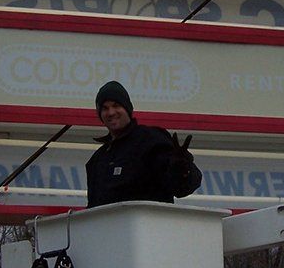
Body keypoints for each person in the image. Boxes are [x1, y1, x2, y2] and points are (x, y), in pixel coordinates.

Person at [86, 80, 202, 208]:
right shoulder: (97, 159)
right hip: (106, 227)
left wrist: (183, 170)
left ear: (128, 109)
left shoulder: (150, 140)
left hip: (150, 226)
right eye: (105, 108)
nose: (111, 112)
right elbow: (93, 207)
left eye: (116, 105)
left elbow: (181, 188)